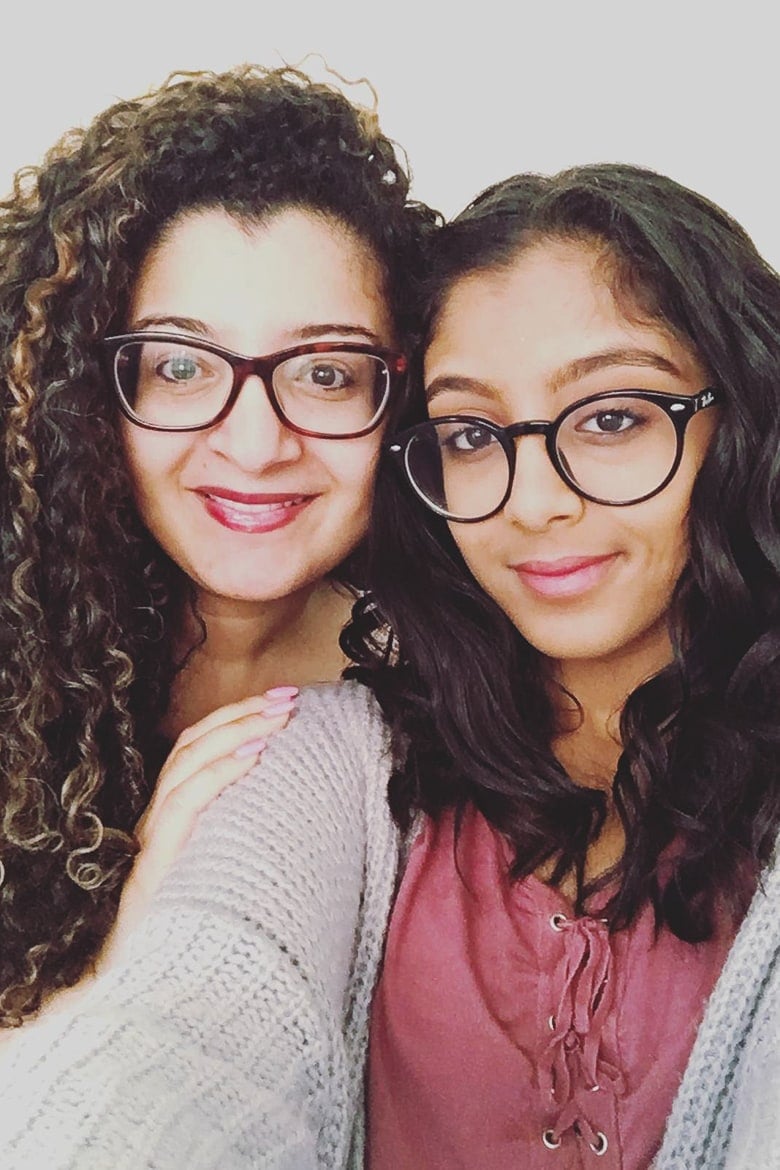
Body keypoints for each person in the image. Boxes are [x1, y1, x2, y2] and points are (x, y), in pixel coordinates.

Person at [0, 166, 777, 1170]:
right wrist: (116, 979)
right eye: (472, 434)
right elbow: (192, 1044)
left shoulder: (352, 669)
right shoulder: (334, 758)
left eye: (612, 417)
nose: (532, 499)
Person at [0, 63, 435, 1029]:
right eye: (181, 366)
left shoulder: (456, 686)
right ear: (85, 393)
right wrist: (130, 941)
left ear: (400, 395)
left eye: (325, 372)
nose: (254, 444)